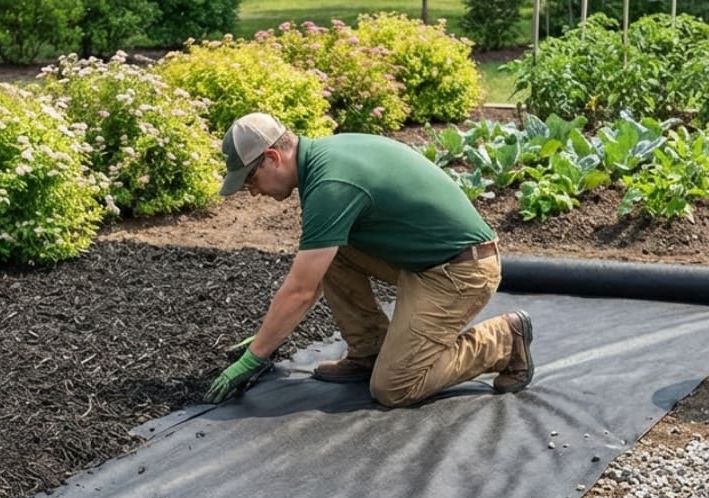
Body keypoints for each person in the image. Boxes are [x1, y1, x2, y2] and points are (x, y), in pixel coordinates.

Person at [203, 112, 533, 407]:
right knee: (328, 248)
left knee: (394, 387)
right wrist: (267, 338)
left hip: (461, 271)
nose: (253, 191)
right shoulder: (323, 159)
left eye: (250, 180)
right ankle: (370, 352)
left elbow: (301, 291)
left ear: (273, 157)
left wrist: (254, 357)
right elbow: (315, 275)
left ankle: (503, 340)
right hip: (427, 260)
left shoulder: (330, 182)